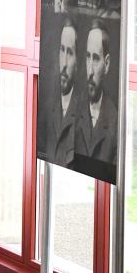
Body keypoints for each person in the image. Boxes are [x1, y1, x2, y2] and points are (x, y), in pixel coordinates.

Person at [38, 18, 84, 167]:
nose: (63, 63)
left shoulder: (84, 112)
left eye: (70, 53)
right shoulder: (48, 105)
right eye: (62, 50)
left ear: (78, 63)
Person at [74, 20, 118, 166]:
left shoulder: (115, 121)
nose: (90, 71)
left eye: (96, 59)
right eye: (88, 57)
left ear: (106, 64)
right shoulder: (72, 108)